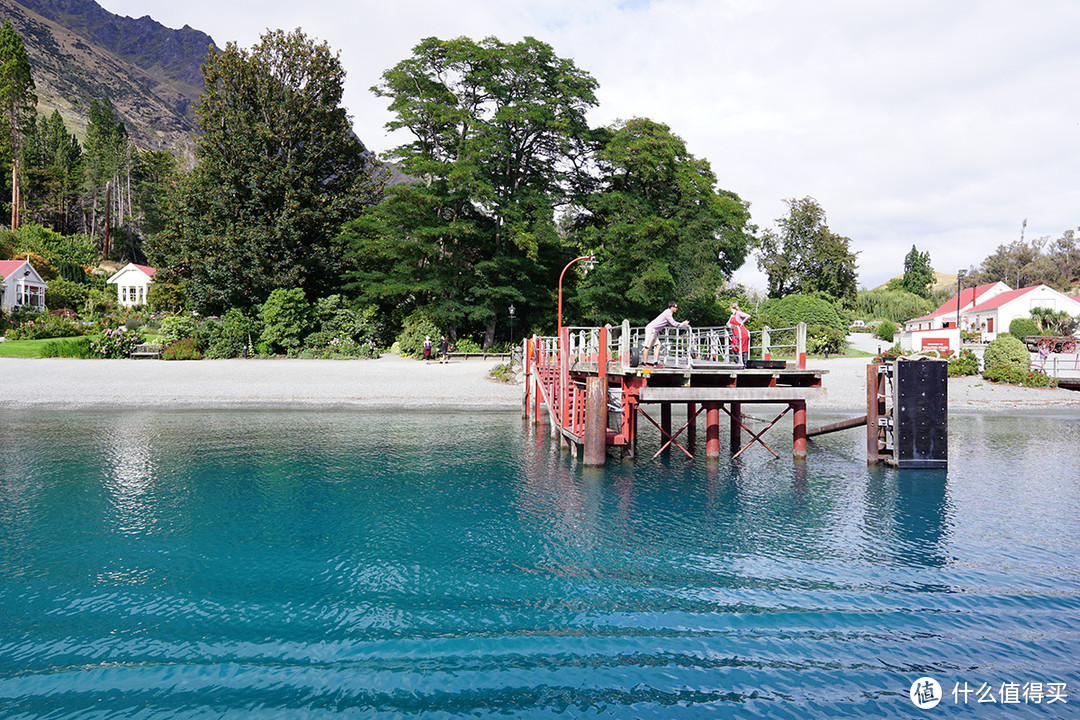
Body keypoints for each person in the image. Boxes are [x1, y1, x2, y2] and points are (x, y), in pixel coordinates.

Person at [641, 301, 689, 367]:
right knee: (647, 346)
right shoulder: (668, 313)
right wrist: (682, 324)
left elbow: (671, 324)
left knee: (658, 345)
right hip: (651, 329)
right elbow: (673, 323)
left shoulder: (668, 313)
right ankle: (645, 364)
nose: (676, 309)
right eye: (676, 307)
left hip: (654, 330)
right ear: (672, 307)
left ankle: (655, 363)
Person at [727, 301, 750, 365]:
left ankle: (744, 363)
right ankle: (737, 362)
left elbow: (748, 316)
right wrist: (729, 325)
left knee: (743, 348)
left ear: (731, 307)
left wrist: (742, 322)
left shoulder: (738, 313)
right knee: (735, 347)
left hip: (742, 333)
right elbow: (727, 323)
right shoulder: (732, 316)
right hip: (735, 334)